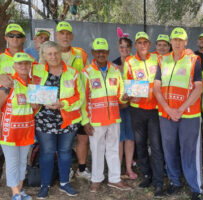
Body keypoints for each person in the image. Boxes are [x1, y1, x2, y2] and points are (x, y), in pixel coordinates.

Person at [153, 27, 203, 200]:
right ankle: (175, 181)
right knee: (169, 149)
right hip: (167, 115)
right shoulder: (162, 60)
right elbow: (156, 88)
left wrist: (180, 109)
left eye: (180, 40)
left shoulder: (194, 60)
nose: (177, 42)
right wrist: (168, 109)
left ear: (186, 42)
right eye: (174, 39)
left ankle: (195, 187)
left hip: (188, 115)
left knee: (188, 151)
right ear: (170, 42)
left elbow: (199, 88)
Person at [32, 41, 83, 198]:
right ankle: (44, 185)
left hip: (66, 119)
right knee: (46, 153)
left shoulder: (73, 72)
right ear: (44, 56)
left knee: (65, 152)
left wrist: (63, 103)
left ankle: (64, 184)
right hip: (44, 120)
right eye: (49, 54)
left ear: (61, 53)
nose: (53, 56)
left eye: (56, 53)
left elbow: (79, 97)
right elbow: (27, 88)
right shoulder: (36, 70)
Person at [81, 38, 131, 192]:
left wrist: (125, 97)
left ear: (108, 52)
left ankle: (115, 179)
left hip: (114, 117)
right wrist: (85, 121)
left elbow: (120, 93)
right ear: (93, 53)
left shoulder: (115, 71)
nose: (101, 54)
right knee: (96, 149)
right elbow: (82, 99)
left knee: (113, 148)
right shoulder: (86, 72)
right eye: (98, 51)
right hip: (95, 119)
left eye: (104, 51)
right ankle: (96, 179)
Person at [123, 32, 165, 197]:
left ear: (149, 44)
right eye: (139, 42)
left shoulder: (158, 59)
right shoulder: (129, 61)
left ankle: (158, 181)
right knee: (140, 144)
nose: (142, 45)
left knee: (155, 146)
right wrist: (126, 95)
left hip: (155, 109)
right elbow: (126, 85)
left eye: (145, 42)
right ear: (136, 45)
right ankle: (147, 175)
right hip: (136, 109)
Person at [54, 21, 91, 180]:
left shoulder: (80, 53)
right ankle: (66, 169)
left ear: (72, 36)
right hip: (59, 105)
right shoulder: (51, 53)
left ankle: (81, 169)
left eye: (68, 33)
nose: (65, 36)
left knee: (83, 138)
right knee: (64, 142)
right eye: (62, 33)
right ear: (56, 35)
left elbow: (89, 74)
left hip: (79, 103)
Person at [0, 53, 35, 200]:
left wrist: (38, 103)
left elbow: (34, 108)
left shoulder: (32, 84)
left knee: (22, 162)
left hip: (27, 130)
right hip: (10, 131)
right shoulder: (8, 83)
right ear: (14, 65)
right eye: (20, 63)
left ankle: (20, 191)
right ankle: (15, 193)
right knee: (12, 162)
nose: (23, 66)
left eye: (26, 63)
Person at [112, 37, 137, 180]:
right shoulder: (113, 65)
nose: (124, 49)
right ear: (118, 48)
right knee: (119, 138)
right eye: (121, 47)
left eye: (127, 47)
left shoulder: (135, 63)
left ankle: (128, 168)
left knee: (130, 137)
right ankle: (117, 169)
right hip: (118, 107)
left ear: (131, 48)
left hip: (132, 106)